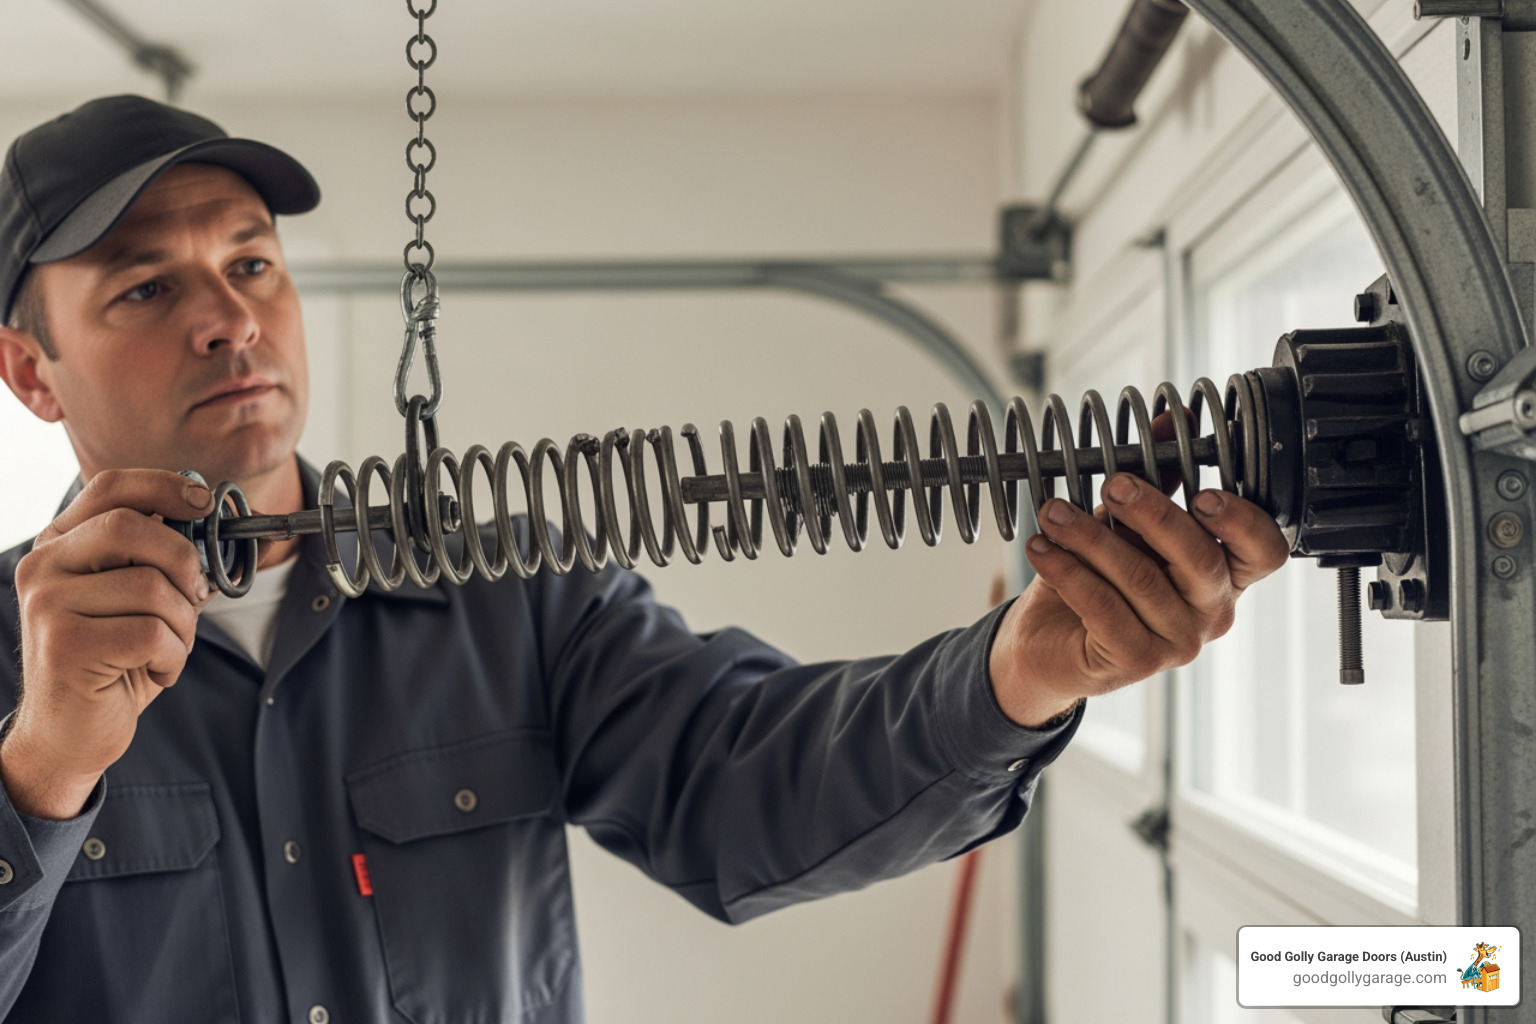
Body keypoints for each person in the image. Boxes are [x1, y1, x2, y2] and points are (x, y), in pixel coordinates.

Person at [0, 96, 1288, 1024]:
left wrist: (1017, 673)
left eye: (251, 263)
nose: (230, 318)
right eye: (145, 290)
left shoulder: (508, 590)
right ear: (30, 371)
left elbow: (750, 778)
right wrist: (43, 770)